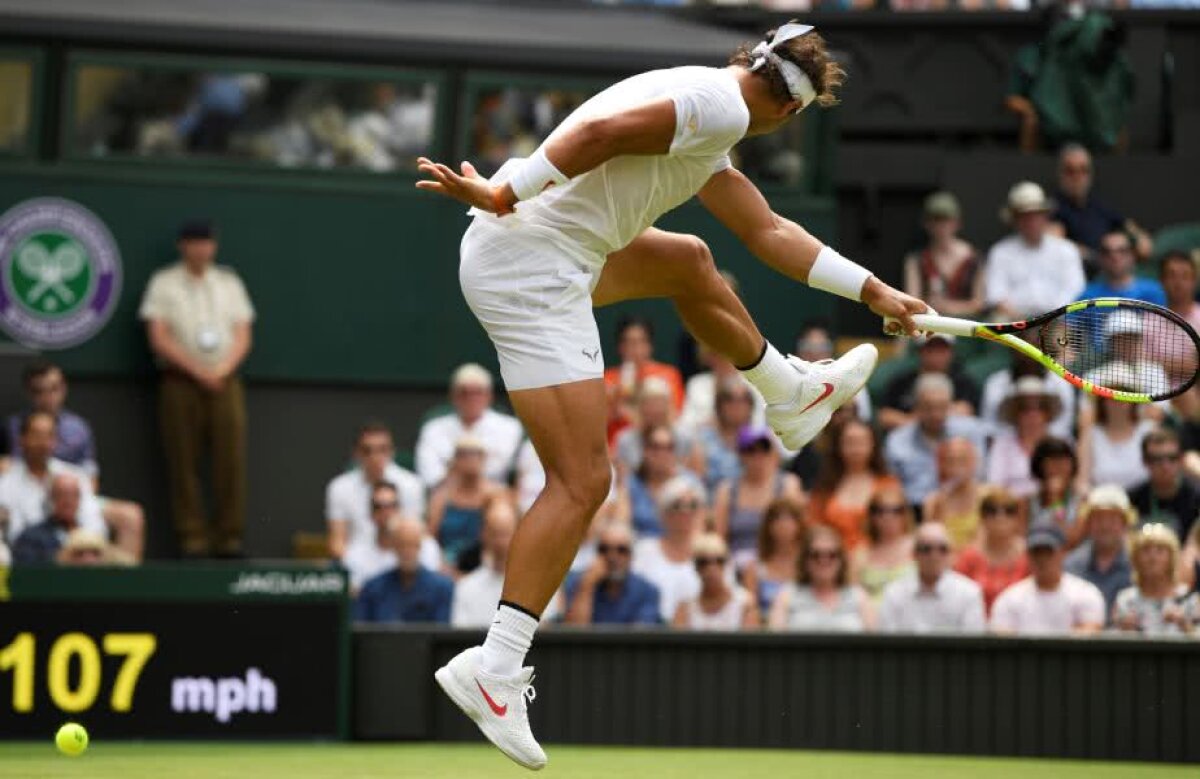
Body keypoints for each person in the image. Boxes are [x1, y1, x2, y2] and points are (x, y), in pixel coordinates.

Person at [417, 22, 928, 768]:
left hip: (546, 252)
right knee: (583, 480)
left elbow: (769, 230)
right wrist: (503, 192)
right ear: (790, 111)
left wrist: (873, 290)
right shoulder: (717, 109)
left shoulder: (709, 112)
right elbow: (596, 133)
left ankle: (787, 392)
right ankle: (494, 667)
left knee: (689, 261)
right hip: (531, 266)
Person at [140, 218, 255, 558]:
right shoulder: (163, 282)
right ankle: (192, 537)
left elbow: (243, 334)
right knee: (183, 460)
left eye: (207, 242)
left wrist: (222, 370)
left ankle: (229, 537)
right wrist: (196, 371)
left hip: (225, 381)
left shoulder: (229, 282)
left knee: (230, 460)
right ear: (183, 246)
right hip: (180, 382)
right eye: (195, 242)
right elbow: (158, 336)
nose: (202, 249)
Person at [5, 361, 144, 560]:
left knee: (128, 515)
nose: (48, 397)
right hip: (28, 493)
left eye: (54, 389)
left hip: (75, 493)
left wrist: (72, 498)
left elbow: (90, 479)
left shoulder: (78, 428)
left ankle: (125, 578)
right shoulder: (13, 426)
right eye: (40, 391)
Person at [326, 421, 426, 565]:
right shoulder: (339, 487)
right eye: (367, 450)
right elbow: (337, 541)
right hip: (355, 562)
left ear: (392, 451)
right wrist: (355, 568)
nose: (375, 457)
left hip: (400, 562)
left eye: (382, 449)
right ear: (356, 453)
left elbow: (415, 534)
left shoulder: (411, 485)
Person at [0, 412, 106, 547]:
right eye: (37, 435)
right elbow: (14, 535)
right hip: (32, 553)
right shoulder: (5, 484)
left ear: (56, 441)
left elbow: (95, 524)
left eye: (49, 436)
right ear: (22, 439)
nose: (43, 442)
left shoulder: (74, 477)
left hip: (80, 549)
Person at [884, 374, 988, 512]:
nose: (936, 414)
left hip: (964, 507)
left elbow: (980, 475)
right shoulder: (897, 441)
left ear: (951, 405)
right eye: (929, 407)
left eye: (942, 406)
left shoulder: (971, 431)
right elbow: (893, 487)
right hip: (915, 510)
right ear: (916, 407)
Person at [985, 182, 1085, 321]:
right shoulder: (1000, 252)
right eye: (1024, 216)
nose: (1031, 221)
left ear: (1045, 216)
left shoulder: (1066, 250)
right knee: (997, 322)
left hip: (1057, 320)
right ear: (1014, 219)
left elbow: (1075, 290)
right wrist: (1024, 323)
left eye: (1036, 214)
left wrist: (1049, 319)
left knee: (1068, 329)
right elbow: (995, 296)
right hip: (1014, 322)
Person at [415, 363, 523, 488]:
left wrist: (456, 467)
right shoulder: (432, 428)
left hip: (492, 494)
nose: (471, 398)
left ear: (489, 396)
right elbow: (429, 474)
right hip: (445, 492)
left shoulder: (510, 427)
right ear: (453, 396)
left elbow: (499, 469)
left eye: (478, 392)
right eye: (464, 392)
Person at [452, 494, 550, 627]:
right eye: (495, 533)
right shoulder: (466, 587)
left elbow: (546, 630)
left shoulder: (540, 586)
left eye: (505, 533)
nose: (500, 542)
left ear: (519, 532)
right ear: (484, 534)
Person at [712, 425, 804, 567]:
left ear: (773, 452)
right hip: (735, 565)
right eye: (751, 450)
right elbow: (719, 539)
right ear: (741, 454)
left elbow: (797, 533)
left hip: (776, 565)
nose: (758, 456)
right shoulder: (727, 490)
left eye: (764, 449)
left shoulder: (788, 485)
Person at [990, 523, 1106, 635]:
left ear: (1062, 552)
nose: (1042, 559)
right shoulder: (1009, 599)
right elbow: (1003, 638)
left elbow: (1089, 634)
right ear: (1028, 555)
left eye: (1048, 552)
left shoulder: (1086, 594)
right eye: (1036, 552)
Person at [1050, 143, 1152, 267]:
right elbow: (1055, 244)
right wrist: (1097, 257)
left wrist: (1138, 238)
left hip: (1110, 270)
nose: (1077, 177)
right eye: (1070, 171)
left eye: (1083, 170)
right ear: (1060, 173)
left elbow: (1131, 231)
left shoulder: (1098, 206)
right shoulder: (1054, 208)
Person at [809, 418, 900, 552]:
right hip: (833, 557)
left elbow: (900, 527)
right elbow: (814, 527)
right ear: (838, 446)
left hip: (877, 556)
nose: (856, 449)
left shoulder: (888, 484)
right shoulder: (825, 486)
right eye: (849, 442)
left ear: (873, 445)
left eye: (862, 442)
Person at [877, 522, 986, 634]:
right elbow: (886, 640)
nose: (934, 556)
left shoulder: (969, 593)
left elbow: (973, 640)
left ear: (951, 554)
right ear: (914, 554)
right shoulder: (894, 593)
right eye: (926, 549)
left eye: (942, 549)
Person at [340, 481, 441, 595]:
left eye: (391, 505)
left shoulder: (427, 546)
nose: (385, 512)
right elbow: (355, 594)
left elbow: (432, 589)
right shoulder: (355, 553)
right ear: (370, 513)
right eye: (378, 507)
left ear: (400, 509)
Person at [768, 524, 873, 632]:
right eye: (815, 555)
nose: (824, 561)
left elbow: (874, 637)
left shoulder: (858, 596)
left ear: (841, 559)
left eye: (832, 555)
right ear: (804, 559)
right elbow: (775, 637)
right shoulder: (788, 595)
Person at [354, 516, 454, 623]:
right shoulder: (373, 588)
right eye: (402, 545)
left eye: (413, 545)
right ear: (393, 546)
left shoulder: (442, 588)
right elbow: (362, 627)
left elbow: (441, 628)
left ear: (421, 546)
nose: (407, 551)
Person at [633, 476, 706, 622]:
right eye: (677, 505)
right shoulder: (644, 550)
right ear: (662, 512)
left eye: (693, 505)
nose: (685, 512)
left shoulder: (713, 553)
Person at [902, 191, 985, 318]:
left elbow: (979, 304)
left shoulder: (973, 258)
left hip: (965, 325)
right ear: (927, 224)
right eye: (936, 220)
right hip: (930, 324)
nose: (941, 226)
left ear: (957, 223)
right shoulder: (916, 260)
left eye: (946, 220)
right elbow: (912, 301)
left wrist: (946, 306)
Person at [428, 435, 503, 573]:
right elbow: (431, 538)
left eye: (475, 455)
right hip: (445, 567)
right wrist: (443, 567)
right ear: (456, 460)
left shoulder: (496, 495)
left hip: (484, 567)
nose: (470, 460)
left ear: (483, 459)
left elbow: (500, 536)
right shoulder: (441, 496)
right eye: (464, 455)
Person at [564, 521, 661, 626]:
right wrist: (587, 587)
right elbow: (574, 631)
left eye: (621, 550)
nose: (612, 557)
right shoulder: (578, 584)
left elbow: (641, 633)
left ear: (631, 555)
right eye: (604, 549)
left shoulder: (647, 591)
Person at [877, 334, 980, 431]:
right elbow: (884, 415)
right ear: (920, 351)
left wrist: (924, 416)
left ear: (951, 352)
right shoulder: (902, 381)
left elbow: (966, 410)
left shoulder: (963, 382)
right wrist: (917, 422)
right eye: (931, 349)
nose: (936, 356)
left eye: (941, 350)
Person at [954, 487, 1029, 614]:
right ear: (982, 518)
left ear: (1017, 518)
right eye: (992, 511)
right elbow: (958, 596)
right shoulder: (968, 557)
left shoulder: (1029, 555)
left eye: (1009, 511)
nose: (1000, 517)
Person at [1112, 524, 1198, 635]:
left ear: (1172, 558)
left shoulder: (1189, 598)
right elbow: (1109, 638)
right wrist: (1123, 631)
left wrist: (1186, 626)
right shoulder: (1125, 600)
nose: (1153, 557)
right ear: (1135, 558)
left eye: (1160, 550)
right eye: (1146, 550)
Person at [604, 316, 686, 430]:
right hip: (616, 437)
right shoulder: (607, 378)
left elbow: (675, 416)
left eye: (641, 341)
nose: (636, 349)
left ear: (650, 345)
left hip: (656, 438)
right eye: (630, 342)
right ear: (620, 347)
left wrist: (627, 412)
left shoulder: (668, 375)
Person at [986, 376, 1061, 499]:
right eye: (1025, 408)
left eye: (1039, 407)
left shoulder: (1060, 445)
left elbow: (1069, 485)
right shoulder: (1002, 446)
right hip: (1011, 506)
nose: (1032, 413)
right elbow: (995, 487)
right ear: (1015, 413)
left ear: (1048, 412)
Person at [1064, 484, 1135, 616]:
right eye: (1098, 518)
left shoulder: (1140, 565)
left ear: (1125, 524)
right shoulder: (1071, 566)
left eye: (1112, 519)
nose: (1105, 526)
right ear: (1088, 524)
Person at [625, 424, 701, 539]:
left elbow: (698, 525)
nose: (662, 453)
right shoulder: (631, 484)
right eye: (655, 447)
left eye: (668, 447)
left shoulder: (690, 483)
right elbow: (622, 522)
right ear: (645, 450)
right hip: (639, 545)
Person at [979, 351, 1076, 441]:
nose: (1032, 415)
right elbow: (989, 430)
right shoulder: (995, 383)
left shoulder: (1061, 383)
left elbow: (1062, 431)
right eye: (1024, 408)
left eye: (1040, 407)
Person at [1127, 428, 1199, 545]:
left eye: (1172, 458)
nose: (1165, 465)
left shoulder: (1196, 498)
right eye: (1156, 459)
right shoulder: (1132, 500)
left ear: (1181, 460)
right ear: (1145, 462)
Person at [673, 532, 758, 630]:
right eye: (703, 562)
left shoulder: (745, 604)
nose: (711, 568)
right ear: (695, 566)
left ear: (727, 564)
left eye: (719, 561)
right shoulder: (685, 606)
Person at [613, 376, 696, 474]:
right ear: (640, 408)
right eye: (650, 404)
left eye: (660, 404)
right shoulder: (625, 440)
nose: (655, 410)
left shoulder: (685, 436)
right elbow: (623, 475)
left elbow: (693, 474)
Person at [677, 346, 764, 438]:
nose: (723, 359)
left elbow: (759, 427)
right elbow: (684, 428)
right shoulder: (697, 385)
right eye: (716, 354)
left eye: (730, 354)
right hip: (703, 443)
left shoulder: (753, 385)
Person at [1078, 393, 1156, 491]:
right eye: (1111, 398)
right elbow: (1082, 480)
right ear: (1102, 402)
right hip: (1103, 499)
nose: (1118, 403)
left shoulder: (1149, 430)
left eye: (1123, 396)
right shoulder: (1090, 435)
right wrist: (1086, 492)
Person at [740, 497, 804, 616]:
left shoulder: (809, 565)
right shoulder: (754, 568)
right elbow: (751, 610)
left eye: (789, 519)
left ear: (799, 525)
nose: (783, 525)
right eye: (777, 519)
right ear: (768, 526)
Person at [693, 377, 758, 491]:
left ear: (751, 405)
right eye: (729, 399)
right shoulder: (703, 439)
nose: (737, 405)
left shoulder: (760, 438)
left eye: (743, 399)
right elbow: (695, 482)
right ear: (719, 404)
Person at [854, 483, 915, 603]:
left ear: (906, 514)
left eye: (896, 510)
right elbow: (853, 596)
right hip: (871, 612)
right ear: (871, 516)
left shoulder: (919, 547)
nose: (888, 517)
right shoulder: (860, 554)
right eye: (880, 511)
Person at [11, 473, 91, 565]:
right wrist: (59, 560)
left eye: (74, 495)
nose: (68, 501)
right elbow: (24, 569)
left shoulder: (88, 536)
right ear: (51, 498)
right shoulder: (30, 537)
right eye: (62, 494)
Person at [921, 437, 984, 551]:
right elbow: (930, 542)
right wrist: (940, 506)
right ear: (942, 466)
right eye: (951, 461)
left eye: (963, 460)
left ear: (974, 462)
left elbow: (985, 540)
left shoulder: (988, 496)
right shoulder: (933, 501)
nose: (957, 467)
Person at [1028, 437, 1087, 548]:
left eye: (1063, 462)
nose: (1058, 467)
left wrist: (1056, 501)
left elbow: (1072, 539)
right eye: (1052, 461)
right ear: (1040, 466)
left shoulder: (1082, 502)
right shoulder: (1026, 502)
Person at [1077, 230, 1165, 305]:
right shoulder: (1088, 296)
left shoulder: (1153, 291)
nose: (1115, 257)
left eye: (1122, 250)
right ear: (1100, 258)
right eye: (1107, 252)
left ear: (1133, 255)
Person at [1158, 250, 1200, 333]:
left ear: (1194, 280)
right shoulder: (1149, 322)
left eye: (1185, 276)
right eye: (1172, 275)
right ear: (1162, 280)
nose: (1178, 282)